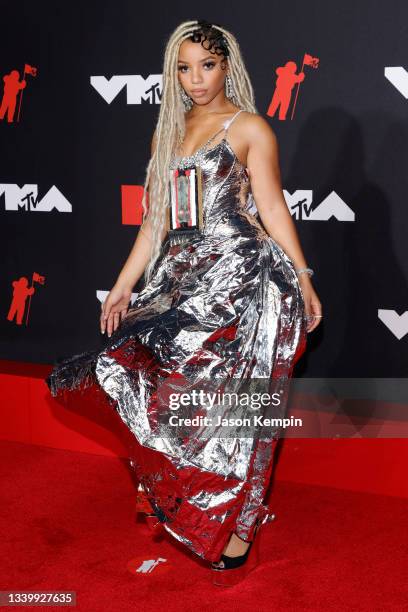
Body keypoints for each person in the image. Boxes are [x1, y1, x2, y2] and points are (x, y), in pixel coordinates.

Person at [46, 19, 322, 587]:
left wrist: (303, 276)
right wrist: (123, 285)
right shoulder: (168, 133)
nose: (196, 80)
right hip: (182, 281)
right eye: (184, 68)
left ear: (228, 67)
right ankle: (178, 490)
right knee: (124, 370)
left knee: (249, 413)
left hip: (245, 281)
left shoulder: (249, 128)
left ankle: (243, 528)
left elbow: (272, 207)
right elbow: (154, 224)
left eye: (208, 66)